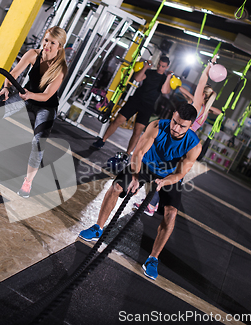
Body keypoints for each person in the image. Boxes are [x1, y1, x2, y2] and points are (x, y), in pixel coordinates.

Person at [79, 103, 201, 280]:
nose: (175, 127)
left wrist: (164, 181)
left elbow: (181, 173)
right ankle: (97, 227)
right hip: (145, 165)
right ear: (172, 116)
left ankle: (153, 259)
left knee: (171, 214)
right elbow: (139, 152)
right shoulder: (157, 126)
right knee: (116, 187)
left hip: (169, 174)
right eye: (174, 121)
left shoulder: (194, 145)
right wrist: (135, 176)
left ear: (191, 125)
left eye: (182, 126)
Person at [0, 26, 68, 198]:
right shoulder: (33, 54)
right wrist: (7, 88)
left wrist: (30, 94)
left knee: (38, 142)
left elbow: (47, 95)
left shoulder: (60, 68)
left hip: (45, 105)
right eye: (46, 40)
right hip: (25, 95)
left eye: (52, 43)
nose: (47, 45)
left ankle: (28, 182)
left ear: (60, 46)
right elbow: (14, 73)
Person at [135, 55, 221, 216]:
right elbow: (217, 110)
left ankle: (151, 203)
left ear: (203, 94)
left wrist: (210, 65)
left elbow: (202, 81)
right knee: (172, 173)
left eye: (201, 91)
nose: (198, 90)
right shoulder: (205, 111)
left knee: (163, 169)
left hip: (178, 140)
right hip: (187, 144)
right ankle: (153, 203)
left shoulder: (196, 105)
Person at [91, 56, 171, 163]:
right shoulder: (150, 72)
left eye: (163, 66)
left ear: (167, 67)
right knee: (118, 120)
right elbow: (137, 79)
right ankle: (102, 140)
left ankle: (127, 154)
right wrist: (145, 67)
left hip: (147, 106)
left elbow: (164, 91)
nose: (160, 67)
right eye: (159, 65)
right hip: (136, 100)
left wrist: (169, 76)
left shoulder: (165, 79)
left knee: (137, 131)